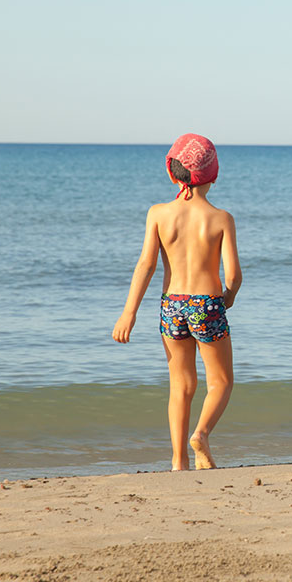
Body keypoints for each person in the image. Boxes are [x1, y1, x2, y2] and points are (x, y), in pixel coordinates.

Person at [112, 133, 241, 471]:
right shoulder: (221, 218)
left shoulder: (158, 213)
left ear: (174, 173)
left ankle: (178, 461)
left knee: (181, 386)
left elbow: (146, 265)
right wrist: (227, 298)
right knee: (221, 382)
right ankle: (201, 433)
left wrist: (129, 312)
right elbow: (234, 276)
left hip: (172, 305)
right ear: (212, 175)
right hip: (206, 305)